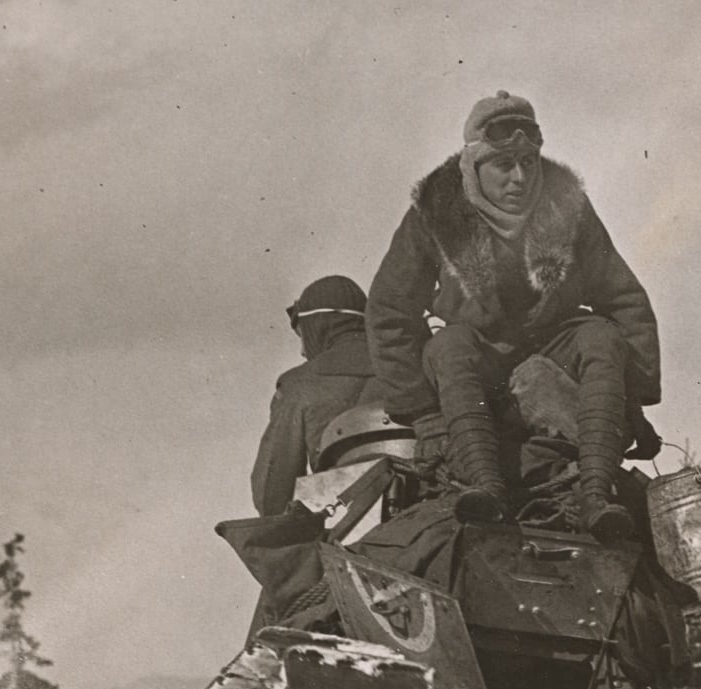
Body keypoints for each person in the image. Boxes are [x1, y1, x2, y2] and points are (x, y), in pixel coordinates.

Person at [366, 91, 661, 540]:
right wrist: (423, 415)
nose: (520, 177)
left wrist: (632, 400)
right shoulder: (434, 213)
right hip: (478, 364)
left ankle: (596, 495)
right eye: (504, 165)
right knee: (448, 345)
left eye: (528, 161)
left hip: (550, 354)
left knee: (600, 335)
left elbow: (623, 299)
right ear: (474, 167)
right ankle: (485, 488)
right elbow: (389, 311)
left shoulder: (568, 206)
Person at [250, 275, 383, 517]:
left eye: (303, 336)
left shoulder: (298, 385)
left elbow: (272, 495)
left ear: (320, 326)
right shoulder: (412, 367)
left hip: (344, 526)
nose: (303, 351)